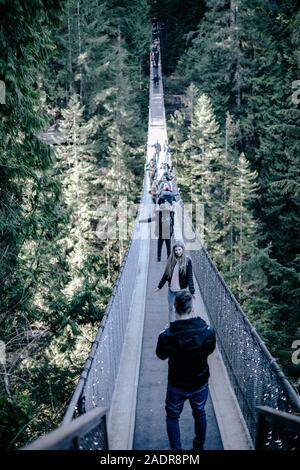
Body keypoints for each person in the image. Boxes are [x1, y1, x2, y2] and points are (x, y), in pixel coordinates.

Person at [156, 290, 216, 450]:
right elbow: (209, 350)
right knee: (200, 412)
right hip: (200, 383)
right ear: (192, 309)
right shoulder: (208, 331)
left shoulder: (166, 336)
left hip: (177, 384)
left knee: (173, 416)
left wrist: (162, 336)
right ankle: (198, 447)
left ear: (174, 310)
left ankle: (177, 452)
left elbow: (161, 355)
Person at [155, 241, 195, 323]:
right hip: (171, 290)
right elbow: (166, 274)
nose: (178, 252)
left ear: (183, 249)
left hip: (182, 291)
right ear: (174, 251)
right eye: (176, 250)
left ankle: (182, 327)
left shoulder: (187, 261)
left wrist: (192, 291)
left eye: (179, 250)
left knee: (183, 310)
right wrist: (160, 286)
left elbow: (190, 276)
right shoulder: (171, 260)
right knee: (171, 309)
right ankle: (171, 326)